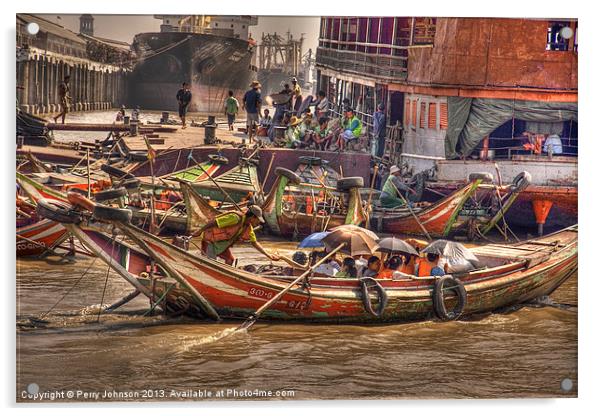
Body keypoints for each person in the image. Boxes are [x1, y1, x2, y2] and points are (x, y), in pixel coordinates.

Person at [190, 205, 280, 265]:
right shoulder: (235, 218)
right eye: (257, 220)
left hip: (221, 246)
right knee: (211, 264)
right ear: (252, 217)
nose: (258, 223)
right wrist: (200, 231)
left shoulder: (248, 227)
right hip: (210, 243)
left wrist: (268, 255)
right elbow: (214, 222)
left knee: (230, 260)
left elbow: (254, 243)